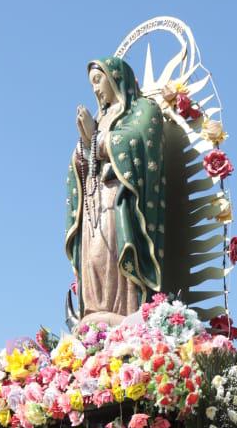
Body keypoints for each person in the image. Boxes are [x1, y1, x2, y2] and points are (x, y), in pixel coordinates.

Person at [65, 56, 165, 326]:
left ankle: (124, 312)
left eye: (98, 81)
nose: (96, 89)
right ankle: (95, 310)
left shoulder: (143, 109)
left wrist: (95, 140)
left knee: (111, 251)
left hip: (120, 199)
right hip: (93, 199)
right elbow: (82, 162)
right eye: (92, 84)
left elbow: (139, 141)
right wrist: (85, 145)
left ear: (115, 77)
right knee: (93, 255)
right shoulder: (101, 117)